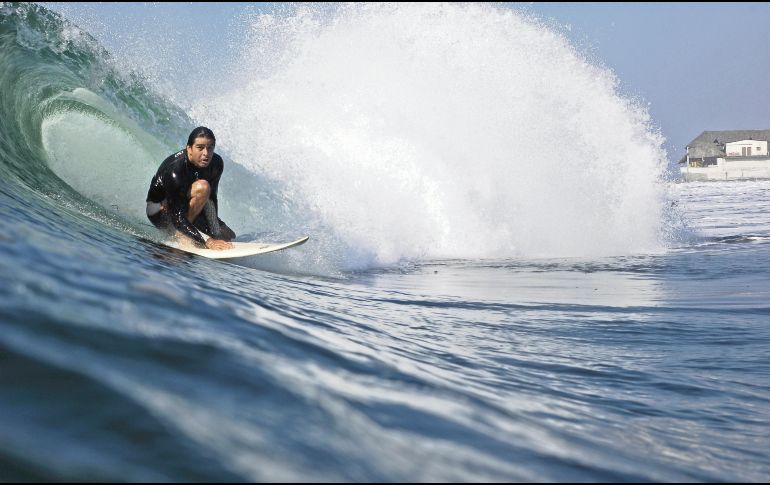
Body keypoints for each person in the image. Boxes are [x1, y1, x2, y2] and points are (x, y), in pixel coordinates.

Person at [146, 126, 236, 250]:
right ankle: (181, 236)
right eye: (200, 148)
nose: (206, 153)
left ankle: (191, 232)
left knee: (228, 235)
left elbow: (211, 199)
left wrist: (215, 232)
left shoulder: (216, 163)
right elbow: (177, 216)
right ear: (189, 149)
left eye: (210, 148)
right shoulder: (175, 170)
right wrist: (206, 240)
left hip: (184, 206)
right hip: (160, 211)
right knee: (202, 187)